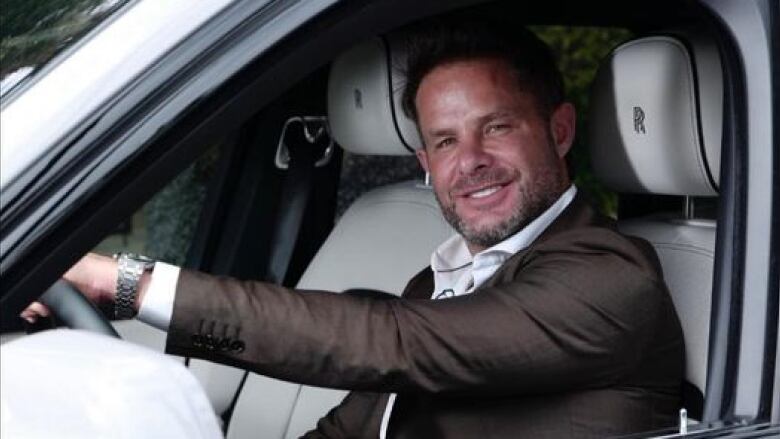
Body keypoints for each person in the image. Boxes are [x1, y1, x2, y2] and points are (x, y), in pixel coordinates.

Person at [23, 18, 684, 438]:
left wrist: (129, 283)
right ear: (424, 163)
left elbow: (387, 340)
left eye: (498, 126)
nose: (471, 161)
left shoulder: (609, 276)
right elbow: (350, 426)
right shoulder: (441, 278)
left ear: (559, 130)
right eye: (446, 142)